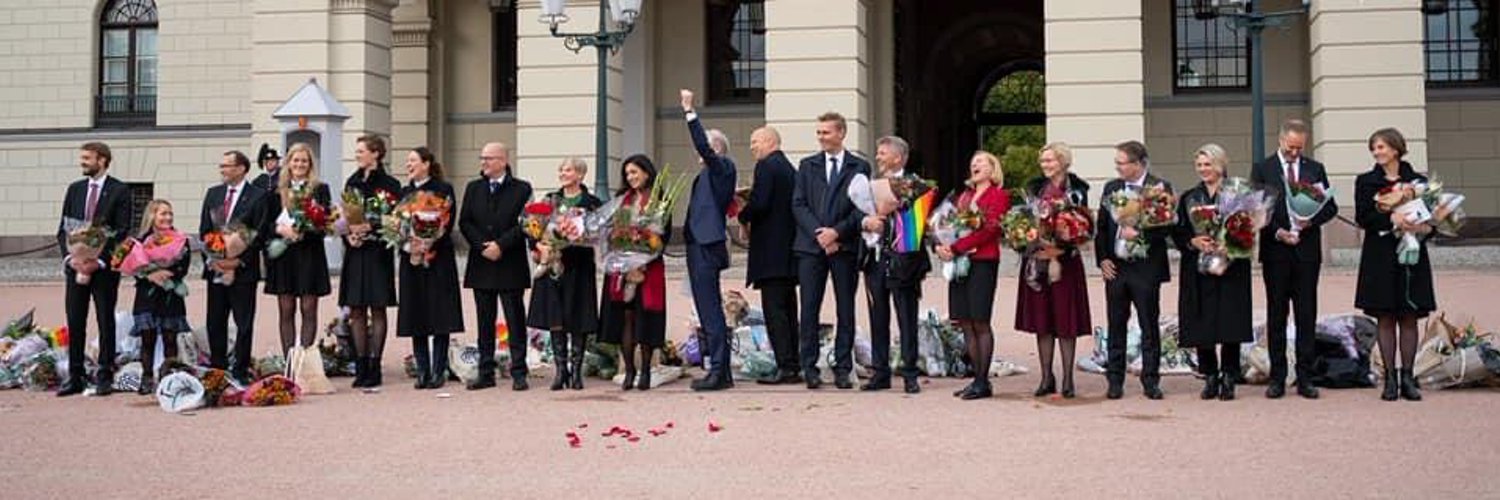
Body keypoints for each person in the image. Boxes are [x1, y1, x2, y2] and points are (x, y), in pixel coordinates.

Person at [1250, 119, 1338, 399]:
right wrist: (1277, 232)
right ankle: (1277, 377)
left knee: (1306, 315)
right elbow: (1255, 210)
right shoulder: (1263, 168)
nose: (1295, 153)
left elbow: (1330, 206)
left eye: (1300, 148)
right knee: (1277, 315)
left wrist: (1310, 221)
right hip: (1276, 252)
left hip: (1307, 252)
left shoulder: (1315, 169)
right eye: (1290, 147)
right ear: (1280, 140)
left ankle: (1305, 377)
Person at [1355, 128, 1441, 402]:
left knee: (1408, 315)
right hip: (1380, 255)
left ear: (1395, 149)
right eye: (1374, 148)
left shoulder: (1418, 182)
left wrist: (1422, 226)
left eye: (1381, 147)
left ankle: (1408, 376)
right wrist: (1392, 220)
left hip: (1412, 256)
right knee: (1385, 316)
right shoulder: (1366, 182)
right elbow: (1364, 217)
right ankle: (1390, 378)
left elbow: (1434, 220)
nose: (1377, 152)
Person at [792, 112, 870, 389]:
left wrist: (836, 233)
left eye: (826, 132)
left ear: (841, 133)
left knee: (845, 308)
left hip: (844, 246)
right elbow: (798, 204)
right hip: (811, 248)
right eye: (819, 133)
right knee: (809, 308)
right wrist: (820, 235)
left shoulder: (859, 166)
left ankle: (842, 365)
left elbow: (860, 207)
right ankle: (809, 366)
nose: (821, 137)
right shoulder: (807, 165)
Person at [1172, 144, 1253, 401]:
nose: (1203, 169)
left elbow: (1249, 228)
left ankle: (1229, 375)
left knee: (1230, 319)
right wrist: (1193, 242)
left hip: (1231, 266)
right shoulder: (1189, 197)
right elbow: (1178, 231)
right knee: (1201, 319)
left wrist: (1229, 243)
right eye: (1199, 165)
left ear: (1220, 164)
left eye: (1208, 164)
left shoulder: (1238, 193)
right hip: (1199, 267)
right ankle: (1209, 375)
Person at [1095, 140, 1174, 400]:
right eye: (1116, 162)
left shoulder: (1159, 188)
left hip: (1146, 268)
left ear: (1139, 163)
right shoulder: (1112, 187)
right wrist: (1102, 259)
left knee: (1148, 324)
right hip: (1116, 267)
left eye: (1122, 162)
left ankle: (1150, 379)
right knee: (1116, 323)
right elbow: (1103, 228)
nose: (1117, 167)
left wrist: (1139, 234)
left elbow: (1165, 229)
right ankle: (1114, 379)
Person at [1015, 142, 1092, 399]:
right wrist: (1026, 236)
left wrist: (1058, 250)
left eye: (1050, 160)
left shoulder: (1078, 190)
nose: (1045, 165)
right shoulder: (1034, 188)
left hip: (1065, 263)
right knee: (1042, 320)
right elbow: (1024, 221)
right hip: (1037, 261)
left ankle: (1069, 378)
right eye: (1043, 161)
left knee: (1065, 319)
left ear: (1063, 161)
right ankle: (1047, 376)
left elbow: (1083, 226)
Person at [56, 141, 133, 397]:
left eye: (87, 158)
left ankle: (104, 374)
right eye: (83, 158)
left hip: (104, 270)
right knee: (75, 321)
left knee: (105, 321)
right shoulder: (75, 190)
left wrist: (97, 261)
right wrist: (72, 258)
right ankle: (75, 376)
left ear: (102, 160)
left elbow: (121, 231)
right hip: (75, 268)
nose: (83, 162)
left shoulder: (120, 190)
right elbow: (63, 229)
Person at [934, 151, 1010, 400]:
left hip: (982, 263)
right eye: (973, 162)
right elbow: (949, 226)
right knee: (964, 321)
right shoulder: (964, 196)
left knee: (980, 321)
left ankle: (982, 380)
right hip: (959, 264)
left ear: (992, 168)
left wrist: (956, 247)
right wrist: (941, 243)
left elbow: (990, 229)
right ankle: (976, 379)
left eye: (981, 162)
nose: (975, 165)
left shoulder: (998, 196)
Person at [859, 136, 930, 394]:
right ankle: (880, 372)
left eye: (882, 153)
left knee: (906, 317)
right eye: (878, 153)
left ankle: (910, 373)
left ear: (898, 158)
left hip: (905, 260)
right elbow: (858, 212)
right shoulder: (870, 185)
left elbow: (919, 224)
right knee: (878, 317)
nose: (877, 157)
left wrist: (894, 211)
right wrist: (868, 221)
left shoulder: (917, 185)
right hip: (875, 258)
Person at [459, 142, 533, 391]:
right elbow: (465, 222)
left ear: (503, 160)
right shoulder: (473, 188)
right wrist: (482, 246)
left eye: (488, 158)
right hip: (482, 263)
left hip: (509, 262)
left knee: (514, 318)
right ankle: (485, 372)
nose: (484, 163)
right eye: (482, 158)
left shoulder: (522, 189)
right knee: (484, 320)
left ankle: (519, 371)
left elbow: (525, 223)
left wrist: (500, 245)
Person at [679, 89, 738, 392]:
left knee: (710, 309)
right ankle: (721, 369)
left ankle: (718, 370)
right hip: (698, 244)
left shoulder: (722, 168)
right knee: (706, 309)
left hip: (707, 246)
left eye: (706, 148)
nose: (699, 153)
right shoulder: (706, 175)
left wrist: (690, 111)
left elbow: (703, 145)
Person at [526, 157, 602, 391]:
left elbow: (600, 231)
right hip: (554, 266)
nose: (563, 173)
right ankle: (561, 372)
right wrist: (540, 246)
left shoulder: (592, 202)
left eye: (567, 170)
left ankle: (576, 372)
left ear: (580, 174)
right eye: (561, 169)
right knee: (556, 318)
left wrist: (582, 236)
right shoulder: (551, 199)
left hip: (579, 266)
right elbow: (533, 229)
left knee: (578, 318)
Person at [599, 155, 671, 391]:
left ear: (647, 173)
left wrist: (644, 257)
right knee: (625, 319)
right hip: (622, 270)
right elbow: (612, 235)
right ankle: (629, 370)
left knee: (646, 319)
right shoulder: (622, 202)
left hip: (649, 269)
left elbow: (663, 237)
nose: (631, 177)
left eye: (634, 172)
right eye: (627, 173)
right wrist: (624, 259)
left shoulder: (659, 202)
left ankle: (647, 371)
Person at [397, 147, 465, 390]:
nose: (409, 164)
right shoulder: (404, 192)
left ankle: (438, 370)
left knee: (440, 316)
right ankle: (422, 371)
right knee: (417, 314)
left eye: (413, 160)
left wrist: (428, 241)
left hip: (438, 259)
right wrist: (409, 244)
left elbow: (447, 221)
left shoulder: (443, 189)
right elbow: (396, 224)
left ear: (426, 163)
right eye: (408, 161)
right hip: (411, 260)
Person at [199, 150, 269, 385]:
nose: (222, 170)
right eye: (221, 166)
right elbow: (205, 230)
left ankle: (240, 369)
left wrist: (237, 261)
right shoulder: (213, 194)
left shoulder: (258, 196)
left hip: (243, 271)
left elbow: (259, 234)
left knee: (243, 322)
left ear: (241, 168)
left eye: (227, 166)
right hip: (216, 267)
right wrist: (217, 258)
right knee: (215, 321)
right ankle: (218, 368)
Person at [739, 125, 801, 385]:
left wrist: (743, 213)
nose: (752, 147)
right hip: (788, 251)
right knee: (788, 310)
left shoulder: (766, 166)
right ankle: (793, 363)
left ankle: (785, 366)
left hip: (770, 253)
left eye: (756, 141)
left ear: (770, 141)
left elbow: (761, 203)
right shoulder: (789, 168)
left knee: (774, 312)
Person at [339, 135, 401, 389]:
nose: (357, 155)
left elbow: (395, 219)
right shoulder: (352, 182)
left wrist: (371, 226)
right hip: (356, 252)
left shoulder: (390, 184)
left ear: (375, 153)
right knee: (355, 309)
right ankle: (360, 363)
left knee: (377, 308)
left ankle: (375, 364)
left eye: (361, 151)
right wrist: (349, 235)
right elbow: (346, 216)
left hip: (377, 251)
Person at [263, 143, 333, 354]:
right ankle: (289, 361)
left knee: (308, 308)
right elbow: (265, 225)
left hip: (309, 255)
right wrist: (280, 229)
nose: (300, 164)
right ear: (289, 163)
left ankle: (305, 359)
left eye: (304, 160)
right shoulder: (276, 191)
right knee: (286, 309)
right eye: (296, 160)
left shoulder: (320, 189)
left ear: (310, 164)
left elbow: (325, 224)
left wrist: (305, 230)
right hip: (284, 257)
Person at [128, 200, 192, 394]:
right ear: (152, 216)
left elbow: (184, 266)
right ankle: (147, 378)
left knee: (170, 339)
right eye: (163, 214)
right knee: (147, 339)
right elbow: (133, 265)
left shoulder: (180, 239)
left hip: (170, 294)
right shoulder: (141, 240)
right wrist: (149, 274)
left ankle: (169, 378)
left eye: (170, 214)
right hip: (147, 295)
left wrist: (166, 273)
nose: (168, 218)